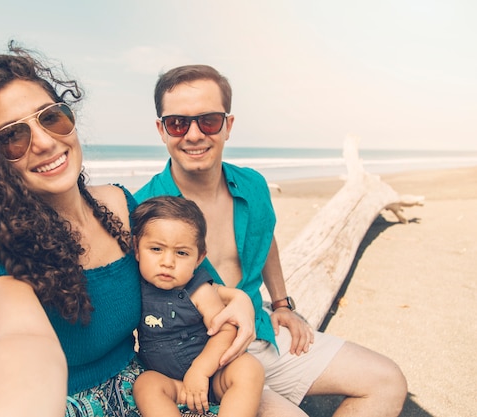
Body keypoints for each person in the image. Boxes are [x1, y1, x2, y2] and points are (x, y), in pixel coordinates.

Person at [0, 44, 257, 417]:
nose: (46, 141)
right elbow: (19, 343)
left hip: (154, 386)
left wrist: (236, 299)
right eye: (12, 137)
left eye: (51, 118)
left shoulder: (121, 204)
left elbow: (173, 276)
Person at [135, 64, 408, 417]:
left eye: (209, 121)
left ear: (228, 126)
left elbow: (266, 241)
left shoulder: (252, 185)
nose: (193, 134)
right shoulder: (140, 209)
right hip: (195, 358)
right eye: (178, 123)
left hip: (261, 332)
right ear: (161, 129)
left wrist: (281, 304)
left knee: (387, 380)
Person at [131, 196, 264, 417]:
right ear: (136, 248)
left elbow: (226, 330)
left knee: (249, 369)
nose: (167, 262)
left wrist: (200, 371)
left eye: (181, 253)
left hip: (213, 377)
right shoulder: (135, 286)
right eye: (156, 249)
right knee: (145, 384)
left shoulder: (200, 291)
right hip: (174, 384)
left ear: (199, 257)